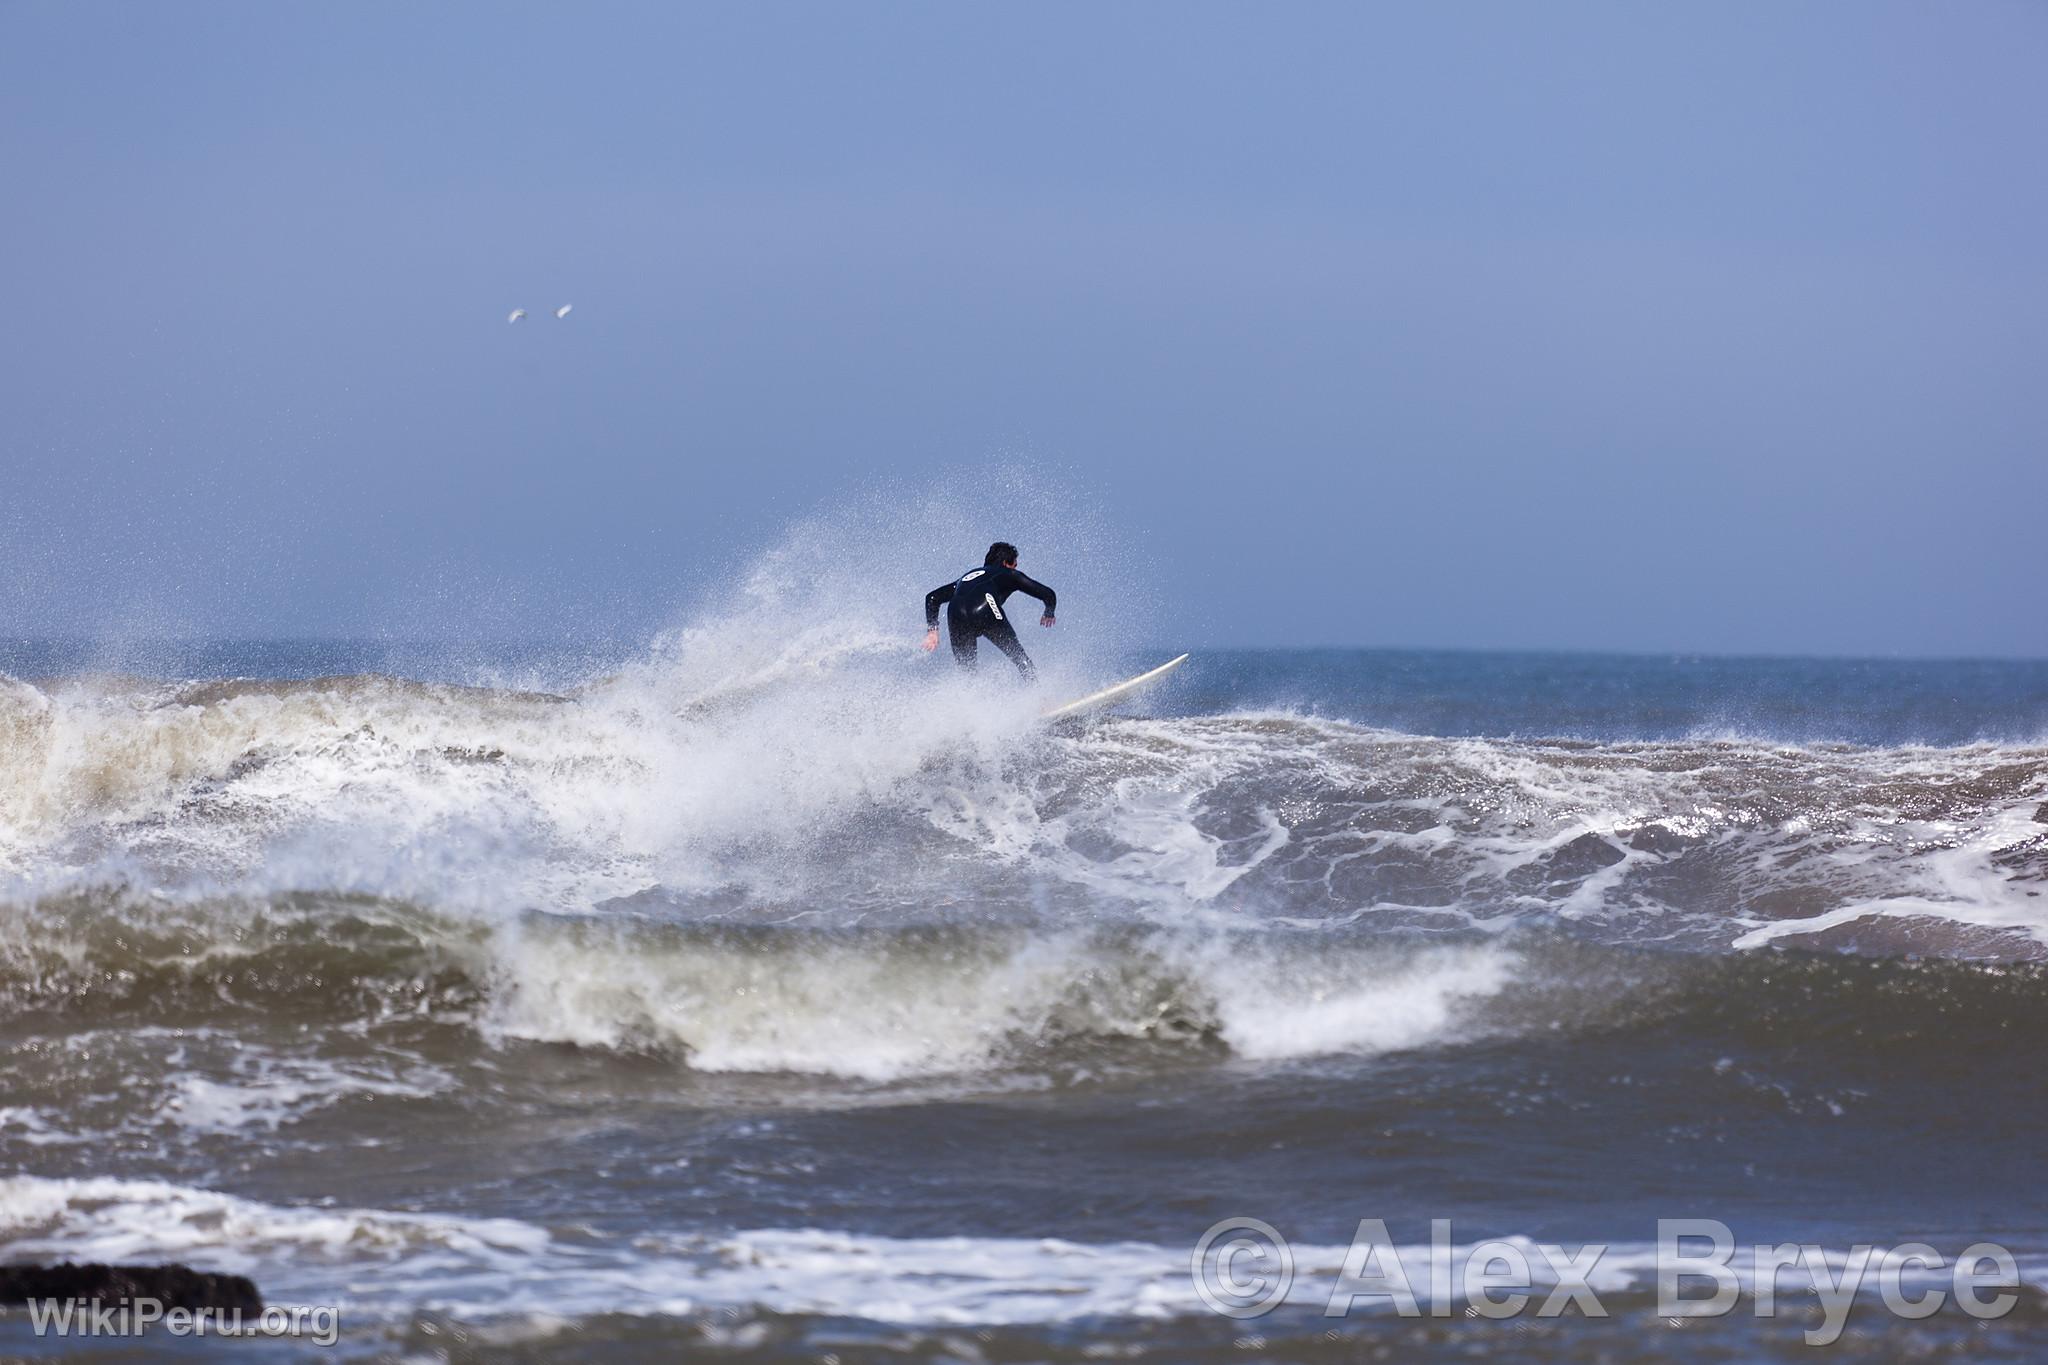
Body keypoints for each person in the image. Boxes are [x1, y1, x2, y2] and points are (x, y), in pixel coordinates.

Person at [923, 542, 1057, 678]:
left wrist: (932, 630)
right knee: (1019, 657)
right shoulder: (1009, 573)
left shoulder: (967, 577)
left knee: (967, 672)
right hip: (985, 606)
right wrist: (1049, 612)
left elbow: (932, 598)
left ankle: (966, 692)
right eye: (1015, 565)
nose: (1015, 569)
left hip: (956, 613)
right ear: (1006, 563)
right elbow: (1048, 594)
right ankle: (1037, 688)